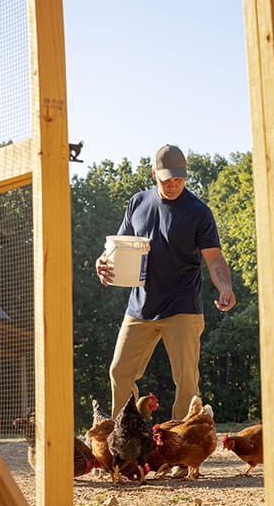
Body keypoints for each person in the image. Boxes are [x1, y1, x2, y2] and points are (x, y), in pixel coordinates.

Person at [95, 144, 236, 421]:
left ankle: (181, 454)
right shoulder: (137, 203)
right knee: (119, 372)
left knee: (186, 382)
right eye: (167, 179)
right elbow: (117, 247)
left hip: (183, 306)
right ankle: (127, 444)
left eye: (179, 180)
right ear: (153, 174)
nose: (173, 185)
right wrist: (102, 262)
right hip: (140, 307)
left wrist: (225, 287)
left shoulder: (198, 212)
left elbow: (215, 258)